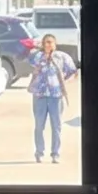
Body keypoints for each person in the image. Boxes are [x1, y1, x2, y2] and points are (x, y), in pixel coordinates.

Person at [25, 34, 76, 162]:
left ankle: (55, 153)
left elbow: (73, 72)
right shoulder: (38, 56)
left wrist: (63, 83)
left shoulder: (62, 57)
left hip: (55, 96)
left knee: (56, 125)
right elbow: (30, 60)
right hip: (40, 95)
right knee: (39, 126)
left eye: (51, 42)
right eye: (46, 42)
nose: (48, 45)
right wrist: (42, 56)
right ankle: (39, 152)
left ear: (55, 43)